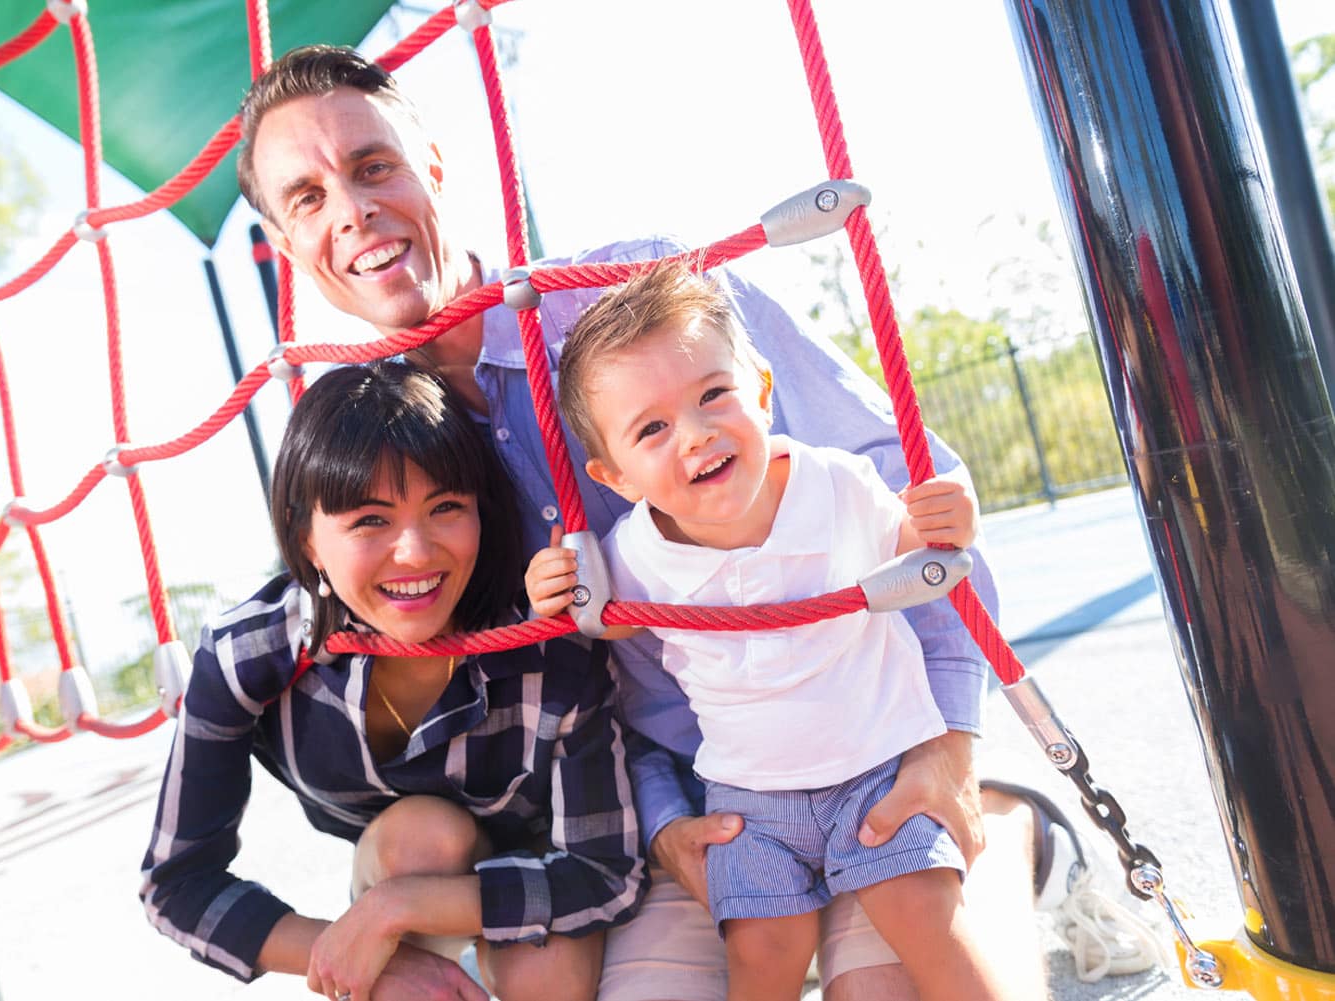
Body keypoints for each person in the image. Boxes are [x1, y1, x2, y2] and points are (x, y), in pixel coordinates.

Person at [236, 43, 1082, 1001]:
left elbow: (906, 485)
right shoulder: (379, 458)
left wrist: (947, 744)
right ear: (284, 244)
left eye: (372, 164)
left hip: (859, 740)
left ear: (431, 167)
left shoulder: (633, 301)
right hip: (676, 800)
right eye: (306, 197)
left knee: (892, 984)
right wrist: (659, 815)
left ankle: (1008, 819)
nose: (351, 210)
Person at [525, 259, 1006, 1001]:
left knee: (928, 921)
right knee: (760, 955)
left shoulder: (836, 485)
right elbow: (591, 618)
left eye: (713, 394)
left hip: (874, 764)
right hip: (750, 800)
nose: (695, 434)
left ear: (763, 390)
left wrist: (946, 519)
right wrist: (548, 590)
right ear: (614, 475)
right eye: (650, 429)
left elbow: (919, 546)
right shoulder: (631, 553)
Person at [139, 362, 646, 1001]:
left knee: (544, 977)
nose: (415, 551)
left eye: (446, 508)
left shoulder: (546, 651)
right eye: (370, 521)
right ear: (308, 539)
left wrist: (394, 910)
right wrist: (356, 951)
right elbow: (177, 884)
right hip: (400, 852)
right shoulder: (253, 654)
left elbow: (603, 875)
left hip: (540, 860)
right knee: (418, 845)